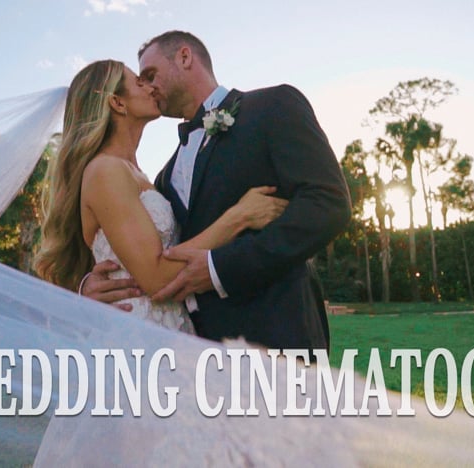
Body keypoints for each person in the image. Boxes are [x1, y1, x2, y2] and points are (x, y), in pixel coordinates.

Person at [81, 31, 351, 351]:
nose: (148, 86)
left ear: (184, 57)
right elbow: (150, 255)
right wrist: (90, 287)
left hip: (277, 339)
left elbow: (328, 204)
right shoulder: (163, 177)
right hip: (196, 352)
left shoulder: (273, 106)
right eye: (140, 81)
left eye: (150, 75)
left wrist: (219, 268)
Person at [34, 59, 289, 334]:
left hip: (172, 328)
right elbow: (155, 277)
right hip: (137, 334)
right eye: (139, 81)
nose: (150, 86)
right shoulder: (105, 170)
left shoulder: (143, 176)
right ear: (117, 103)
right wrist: (240, 217)